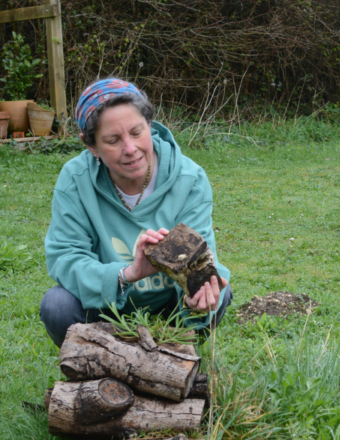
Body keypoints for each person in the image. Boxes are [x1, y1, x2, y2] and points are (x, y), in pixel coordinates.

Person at [39, 79, 231, 347]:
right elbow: (66, 257)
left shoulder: (190, 179)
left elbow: (201, 256)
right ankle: (99, 362)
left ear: (150, 125)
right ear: (91, 145)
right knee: (57, 305)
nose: (130, 149)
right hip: (103, 310)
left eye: (137, 132)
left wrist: (196, 297)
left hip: (170, 310)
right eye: (113, 140)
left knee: (219, 289)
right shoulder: (75, 180)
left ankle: (173, 360)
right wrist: (126, 274)